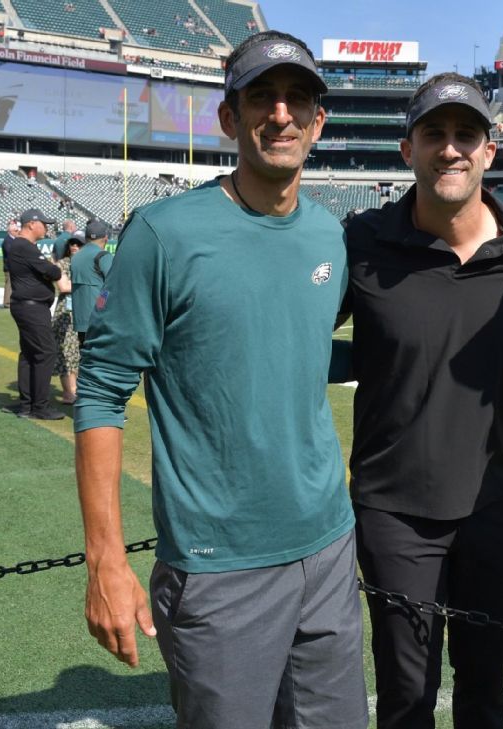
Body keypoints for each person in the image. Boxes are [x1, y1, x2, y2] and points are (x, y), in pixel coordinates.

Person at [73, 31, 367, 729]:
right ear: (230, 118)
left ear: (320, 121)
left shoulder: (329, 234)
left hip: (328, 547)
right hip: (217, 565)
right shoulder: (164, 232)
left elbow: (284, 352)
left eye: (299, 99)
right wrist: (104, 563)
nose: (282, 114)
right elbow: (99, 393)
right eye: (261, 97)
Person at [340, 73, 503, 729]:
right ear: (408, 150)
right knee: (406, 695)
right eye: (434, 134)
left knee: (486, 690)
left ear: (490, 150)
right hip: (392, 510)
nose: (450, 148)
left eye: (466, 134)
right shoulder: (362, 241)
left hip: (489, 501)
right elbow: (298, 334)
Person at [6, 208, 65, 420]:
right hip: (32, 308)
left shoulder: (19, 246)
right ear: (32, 224)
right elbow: (54, 272)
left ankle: (26, 404)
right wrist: (53, 268)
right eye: (44, 223)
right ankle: (39, 406)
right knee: (45, 352)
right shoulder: (25, 246)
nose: (46, 227)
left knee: (29, 354)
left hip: (26, 306)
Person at [69, 219, 113, 348]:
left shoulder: (75, 257)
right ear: (105, 238)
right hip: (100, 320)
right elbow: (112, 287)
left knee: (86, 359)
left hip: (81, 321)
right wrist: (101, 305)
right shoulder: (103, 255)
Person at [52, 230, 83, 404]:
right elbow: (63, 286)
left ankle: (76, 390)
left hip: (83, 310)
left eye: (78, 244)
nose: (74, 247)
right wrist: (87, 284)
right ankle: (69, 392)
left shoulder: (87, 263)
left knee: (78, 354)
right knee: (65, 353)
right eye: (72, 243)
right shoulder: (62, 264)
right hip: (65, 313)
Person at [1, 220, 20, 307]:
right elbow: (10, 253)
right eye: (16, 231)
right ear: (10, 231)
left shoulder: (13, 240)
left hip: (14, 266)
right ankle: (7, 302)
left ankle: (12, 301)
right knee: (9, 285)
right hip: (9, 267)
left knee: (13, 285)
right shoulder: (7, 241)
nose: (18, 232)